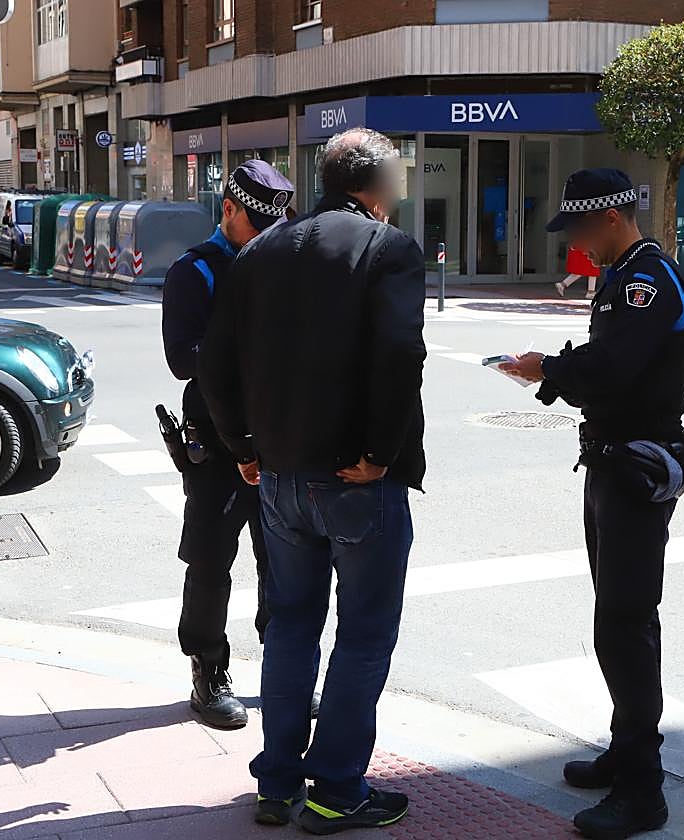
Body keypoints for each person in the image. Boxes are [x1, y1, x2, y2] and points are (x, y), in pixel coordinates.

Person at [200, 127, 425, 833]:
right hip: (356, 477)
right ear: (378, 186)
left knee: (292, 626)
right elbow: (399, 356)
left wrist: (242, 444)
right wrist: (383, 453)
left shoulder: (260, 251)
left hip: (279, 477)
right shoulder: (388, 249)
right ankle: (335, 790)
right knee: (362, 634)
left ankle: (276, 784)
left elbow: (214, 361)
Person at [501, 168, 684, 840]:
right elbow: (610, 363)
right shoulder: (625, 276)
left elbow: (615, 369)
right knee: (616, 620)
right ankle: (624, 751)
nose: (577, 243)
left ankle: (644, 790)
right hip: (612, 464)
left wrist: (547, 370)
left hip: (635, 471)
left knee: (626, 624)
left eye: (582, 229)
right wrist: (554, 372)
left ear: (611, 218)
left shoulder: (646, 280)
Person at [160, 159, 295, 731]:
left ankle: (283, 672)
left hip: (279, 444)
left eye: (273, 225)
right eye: (254, 224)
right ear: (229, 210)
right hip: (216, 447)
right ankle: (207, 669)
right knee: (211, 563)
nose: (265, 235)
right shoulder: (196, 271)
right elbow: (180, 359)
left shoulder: (283, 265)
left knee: (283, 565)